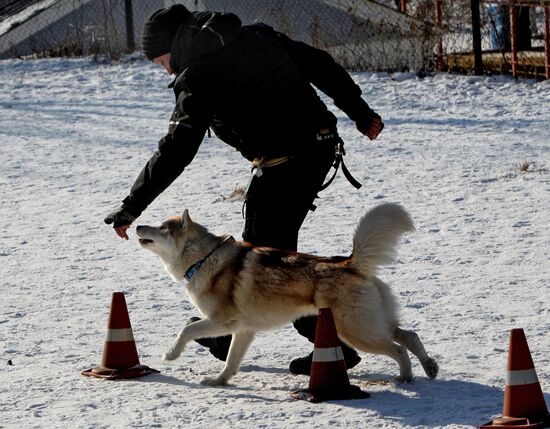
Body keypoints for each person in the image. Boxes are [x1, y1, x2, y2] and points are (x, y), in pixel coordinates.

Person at [105, 4, 384, 375]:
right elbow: (318, 63)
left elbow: (176, 148)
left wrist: (132, 205)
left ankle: (331, 345)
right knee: (261, 251)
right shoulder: (252, 34)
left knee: (266, 261)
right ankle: (232, 332)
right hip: (317, 146)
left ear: (175, 45)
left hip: (288, 160)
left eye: (162, 61)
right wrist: (361, 112)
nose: (166, 70)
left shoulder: (197, 73)